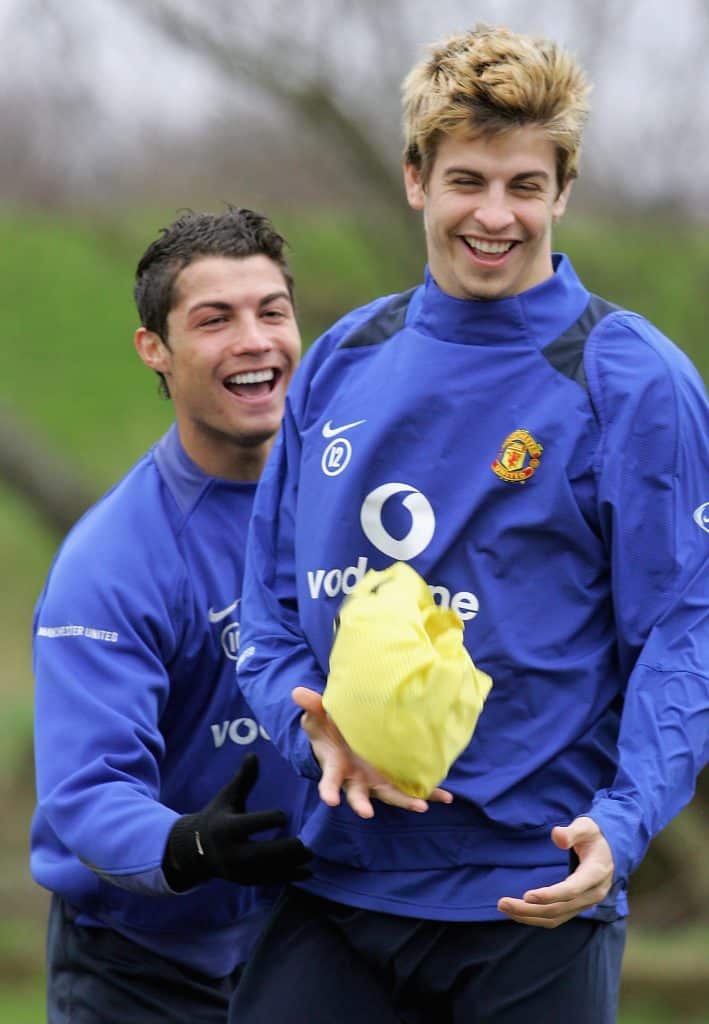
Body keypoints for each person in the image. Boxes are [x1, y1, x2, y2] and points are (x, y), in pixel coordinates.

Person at [231, 25, 709, 1024]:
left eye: (523, 185)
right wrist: (304, 725)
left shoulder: (632, 380)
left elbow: (685, 627)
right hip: (334, 887)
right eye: (467, 181)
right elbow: (268, 609)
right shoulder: (338, 361)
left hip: (531, 895)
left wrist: (622, 826)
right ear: (415, 179)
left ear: (561, 191)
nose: (495, 215)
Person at [30, 207, 314, 1024]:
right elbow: (86, 794)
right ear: (155, 348)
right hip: (139, 965)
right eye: (214, 319)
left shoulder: (351, 506)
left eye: (271, 311)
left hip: (311, 943)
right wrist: (186, 844)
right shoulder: (113, 560)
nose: (254, 339)